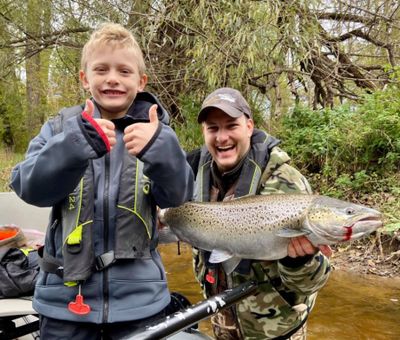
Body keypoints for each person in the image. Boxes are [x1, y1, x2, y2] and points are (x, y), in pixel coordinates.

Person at [9, 23, 194, 339]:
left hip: (141, 305)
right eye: (101, 69)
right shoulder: (58, 129)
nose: (112, 78)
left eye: (124, 71)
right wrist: (72, 145)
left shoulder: (157, 133)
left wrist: (161, 151)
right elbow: (29, 188)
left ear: (141, 81)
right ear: (85, 79)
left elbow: (179, 197)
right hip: (63, 305)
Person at [187, 87, 331, 339]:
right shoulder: (194, 174)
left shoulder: (286, 183)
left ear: (249, 126)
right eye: (213, 128)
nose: (222, 137)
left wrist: (298, 261)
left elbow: (314, 283)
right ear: (204, 132)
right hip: (222, 326)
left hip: (277, 332)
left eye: (231, 125)